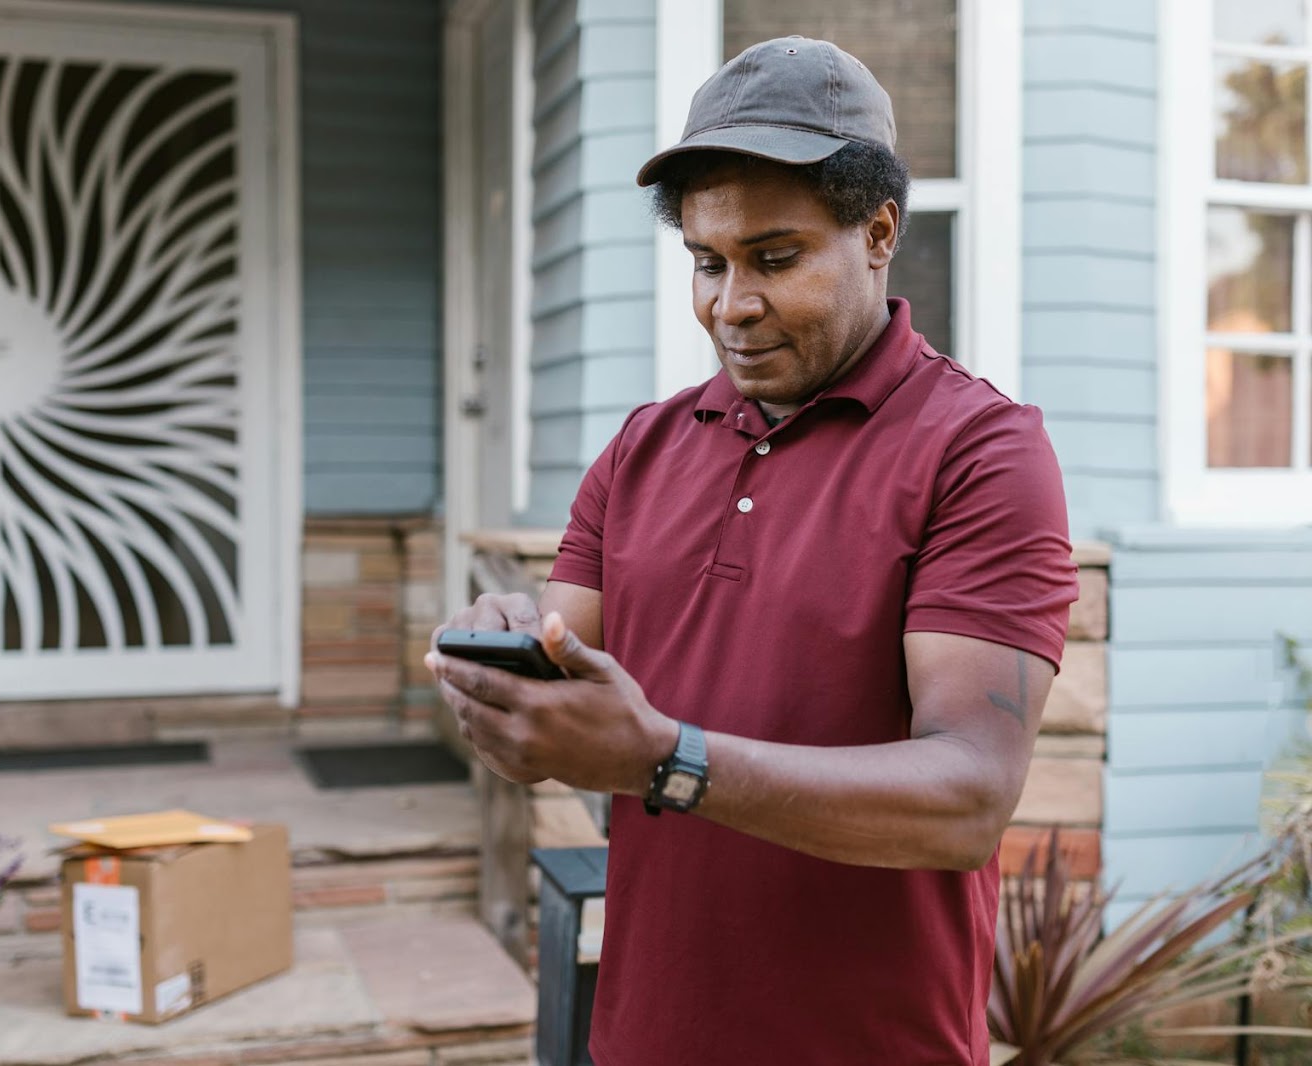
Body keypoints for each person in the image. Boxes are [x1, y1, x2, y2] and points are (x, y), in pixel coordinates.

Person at [426, 36, 1078, 1065]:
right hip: (639, 1039)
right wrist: (501, 670)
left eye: (774, 259)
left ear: (876, 233)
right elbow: (562, 708)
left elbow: (966, 797)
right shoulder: (639, 449)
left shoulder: (979, 452)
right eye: (706, 262)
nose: (731, 304)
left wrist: (664, 760)